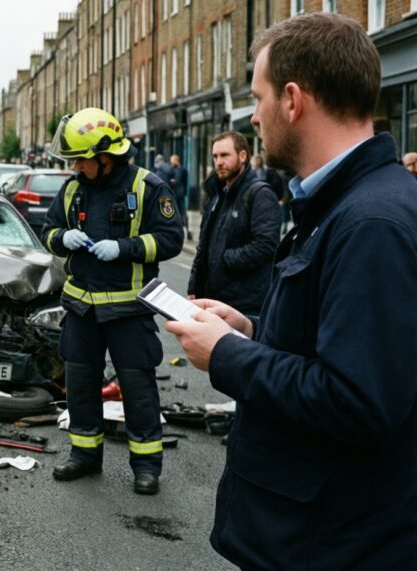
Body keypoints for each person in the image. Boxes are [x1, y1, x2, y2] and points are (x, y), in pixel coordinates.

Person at [165, 14, 417, 569]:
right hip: (306, 531)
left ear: (293, 100)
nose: (253, 117)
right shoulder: (341, 203)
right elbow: (335, 340)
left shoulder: (371, 221)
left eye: (258, 99)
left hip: (327, 543)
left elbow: (359, 400)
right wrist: (251, 331)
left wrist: (228, 356)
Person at [41, 107, 184, 495]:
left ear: (105, 157)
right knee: (81, 385)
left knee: (138, 389)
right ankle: (84, 454)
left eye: (80, 159)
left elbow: (171, 239)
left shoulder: (148, 187)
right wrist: (61, 238)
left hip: (128, 309)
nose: (75, 167)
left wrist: (124, 247)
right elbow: (49, 231)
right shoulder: (73, 189)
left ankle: (146, 465)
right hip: (81, 308)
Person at [187, 132, 280, 315]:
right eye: (215, 156)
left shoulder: (260, 194)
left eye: (225, 155)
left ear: (243, 156)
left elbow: (266, 245)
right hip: (212, 301)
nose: (219, 162)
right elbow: (203, 247)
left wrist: (226, 258)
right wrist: (193, 287)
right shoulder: (215, 195)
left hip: (244, 306)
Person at [168, 154, 189, 238]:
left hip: (180, 193)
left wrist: (185, 192)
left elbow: (185, 181)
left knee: (182, 211)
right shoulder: (171, 169)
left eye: (172, 160)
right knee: (175, 211)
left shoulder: (183, 170)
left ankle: (185, 229)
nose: (171, 162)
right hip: (174, 194)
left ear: (177, 160)